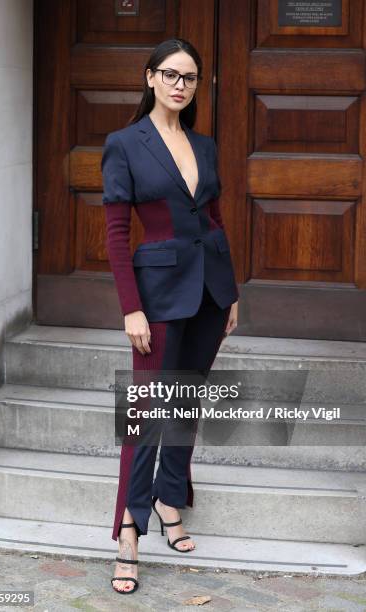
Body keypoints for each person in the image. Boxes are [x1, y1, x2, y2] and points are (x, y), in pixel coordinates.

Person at [101, 38, 239, 595]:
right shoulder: (124, 144)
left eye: (190, 77)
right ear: (150, 78)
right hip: (156, 296)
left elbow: (215, 218)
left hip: (210, 290)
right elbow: (115, 234)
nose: (180, 84)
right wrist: (130, 307)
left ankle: (169, 497)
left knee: (186, 401)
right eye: (171, 74)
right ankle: (129, 530)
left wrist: (231, 294)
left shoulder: (203, 145)